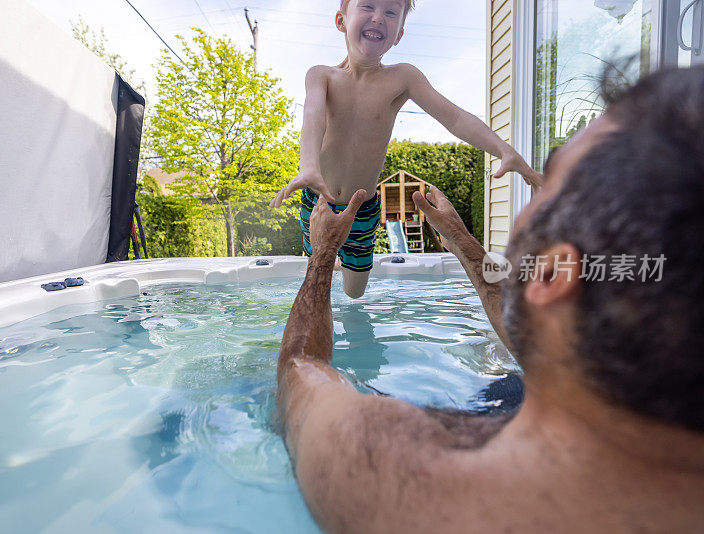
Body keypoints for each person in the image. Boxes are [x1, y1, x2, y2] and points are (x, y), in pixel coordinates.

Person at [275, 66, 704, 533]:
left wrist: (321, 258)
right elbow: (528, 332)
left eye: (547, 183)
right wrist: (459, 237)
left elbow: (298, 369)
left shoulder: (400, 475)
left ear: (552, 274)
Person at [269, 0, 542, 299]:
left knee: (354, 295)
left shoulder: (402, 78)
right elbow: (312, 116)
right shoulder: (321, 75)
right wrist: (308, 165)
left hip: (362, 208)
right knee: (317, 278)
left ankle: (345, 265)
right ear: (341, 21)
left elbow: (454, 117)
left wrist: (502, 149)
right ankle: (331, 265)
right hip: (318, 202)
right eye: (368, 7)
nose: (378, 17)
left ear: (398, 33)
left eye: (390, 12)